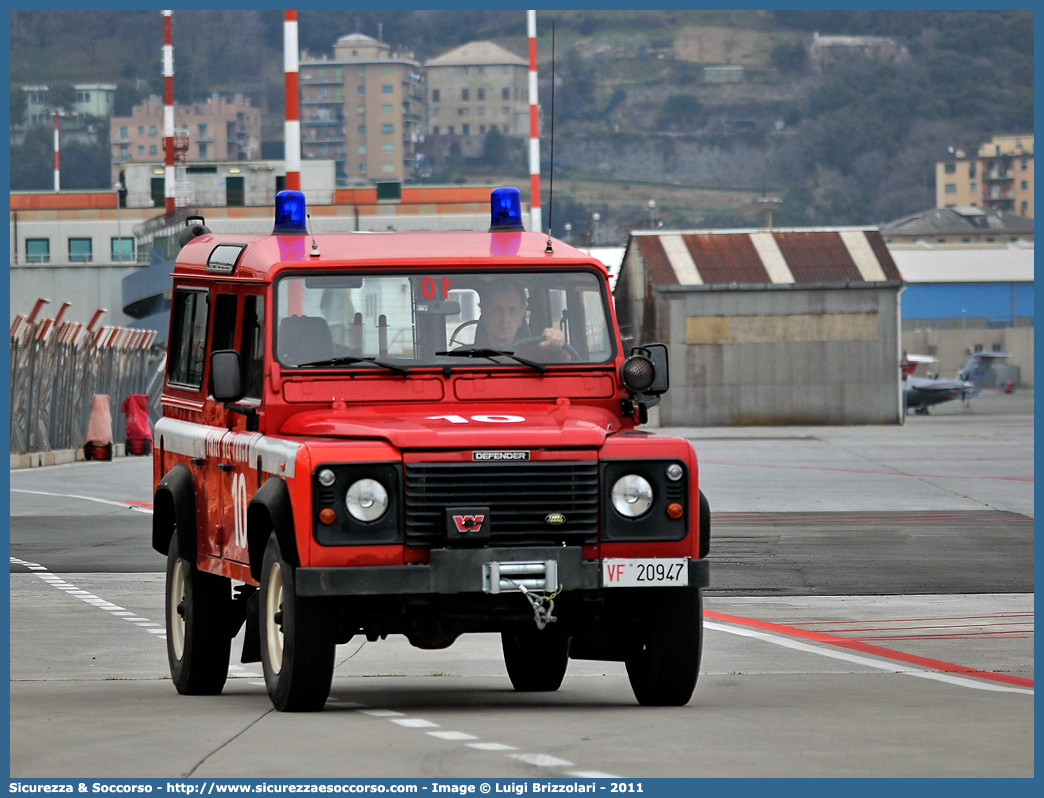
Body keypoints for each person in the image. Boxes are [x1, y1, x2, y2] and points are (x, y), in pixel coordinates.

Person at [474, 279, 568, 361]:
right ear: (485, 316)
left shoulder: (536, 355)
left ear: (521, 318)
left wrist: (556, 348)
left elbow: (564, 369)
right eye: (498, 310)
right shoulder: (465, 358)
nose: (505, 319)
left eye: (512, 311)